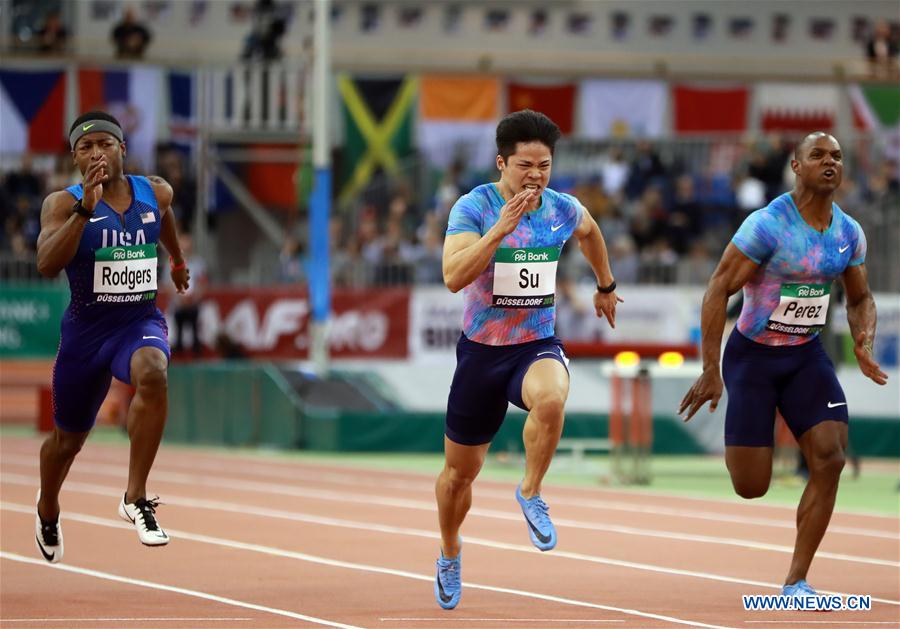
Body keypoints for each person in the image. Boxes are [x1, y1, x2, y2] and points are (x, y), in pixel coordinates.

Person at [679, 131, 887, 600]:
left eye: (836, 156)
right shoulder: (768, 225)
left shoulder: (848, 232)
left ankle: (796, 581)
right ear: (797, 166)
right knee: (751, 485)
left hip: (805, 356)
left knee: (831, 457)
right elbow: (717, 289)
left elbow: (860, 298)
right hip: (753, 357)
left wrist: (863, 341)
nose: (829, 162)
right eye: (818, 156)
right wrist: (711, 368)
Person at [434, 110, 622, 609]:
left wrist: (606, 284)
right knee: (458, 477)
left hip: (534, 344)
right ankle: (451, 551)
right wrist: (499, 229)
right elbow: (453, 277)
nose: (535, 175)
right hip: (481, 354)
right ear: (502, 163)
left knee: (553, 399)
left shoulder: (561, 207)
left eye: (544, 165)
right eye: (524, 165)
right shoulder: (473, 207)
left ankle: (531, 491)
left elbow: (590, 231)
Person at [34, 111, 191, 563]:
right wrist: (86, 207)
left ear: (123, 149)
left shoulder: (155, 190)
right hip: (85, 335)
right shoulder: (62, 204)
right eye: (86, 147)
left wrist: (177, 261)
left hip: (137, 324)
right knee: (67, 443)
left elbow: (164, 216)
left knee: (154, 373)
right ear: (75, 157)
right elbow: (46, 264)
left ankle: (135, 497)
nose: (97, 152)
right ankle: (47, 507)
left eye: (105, 143)